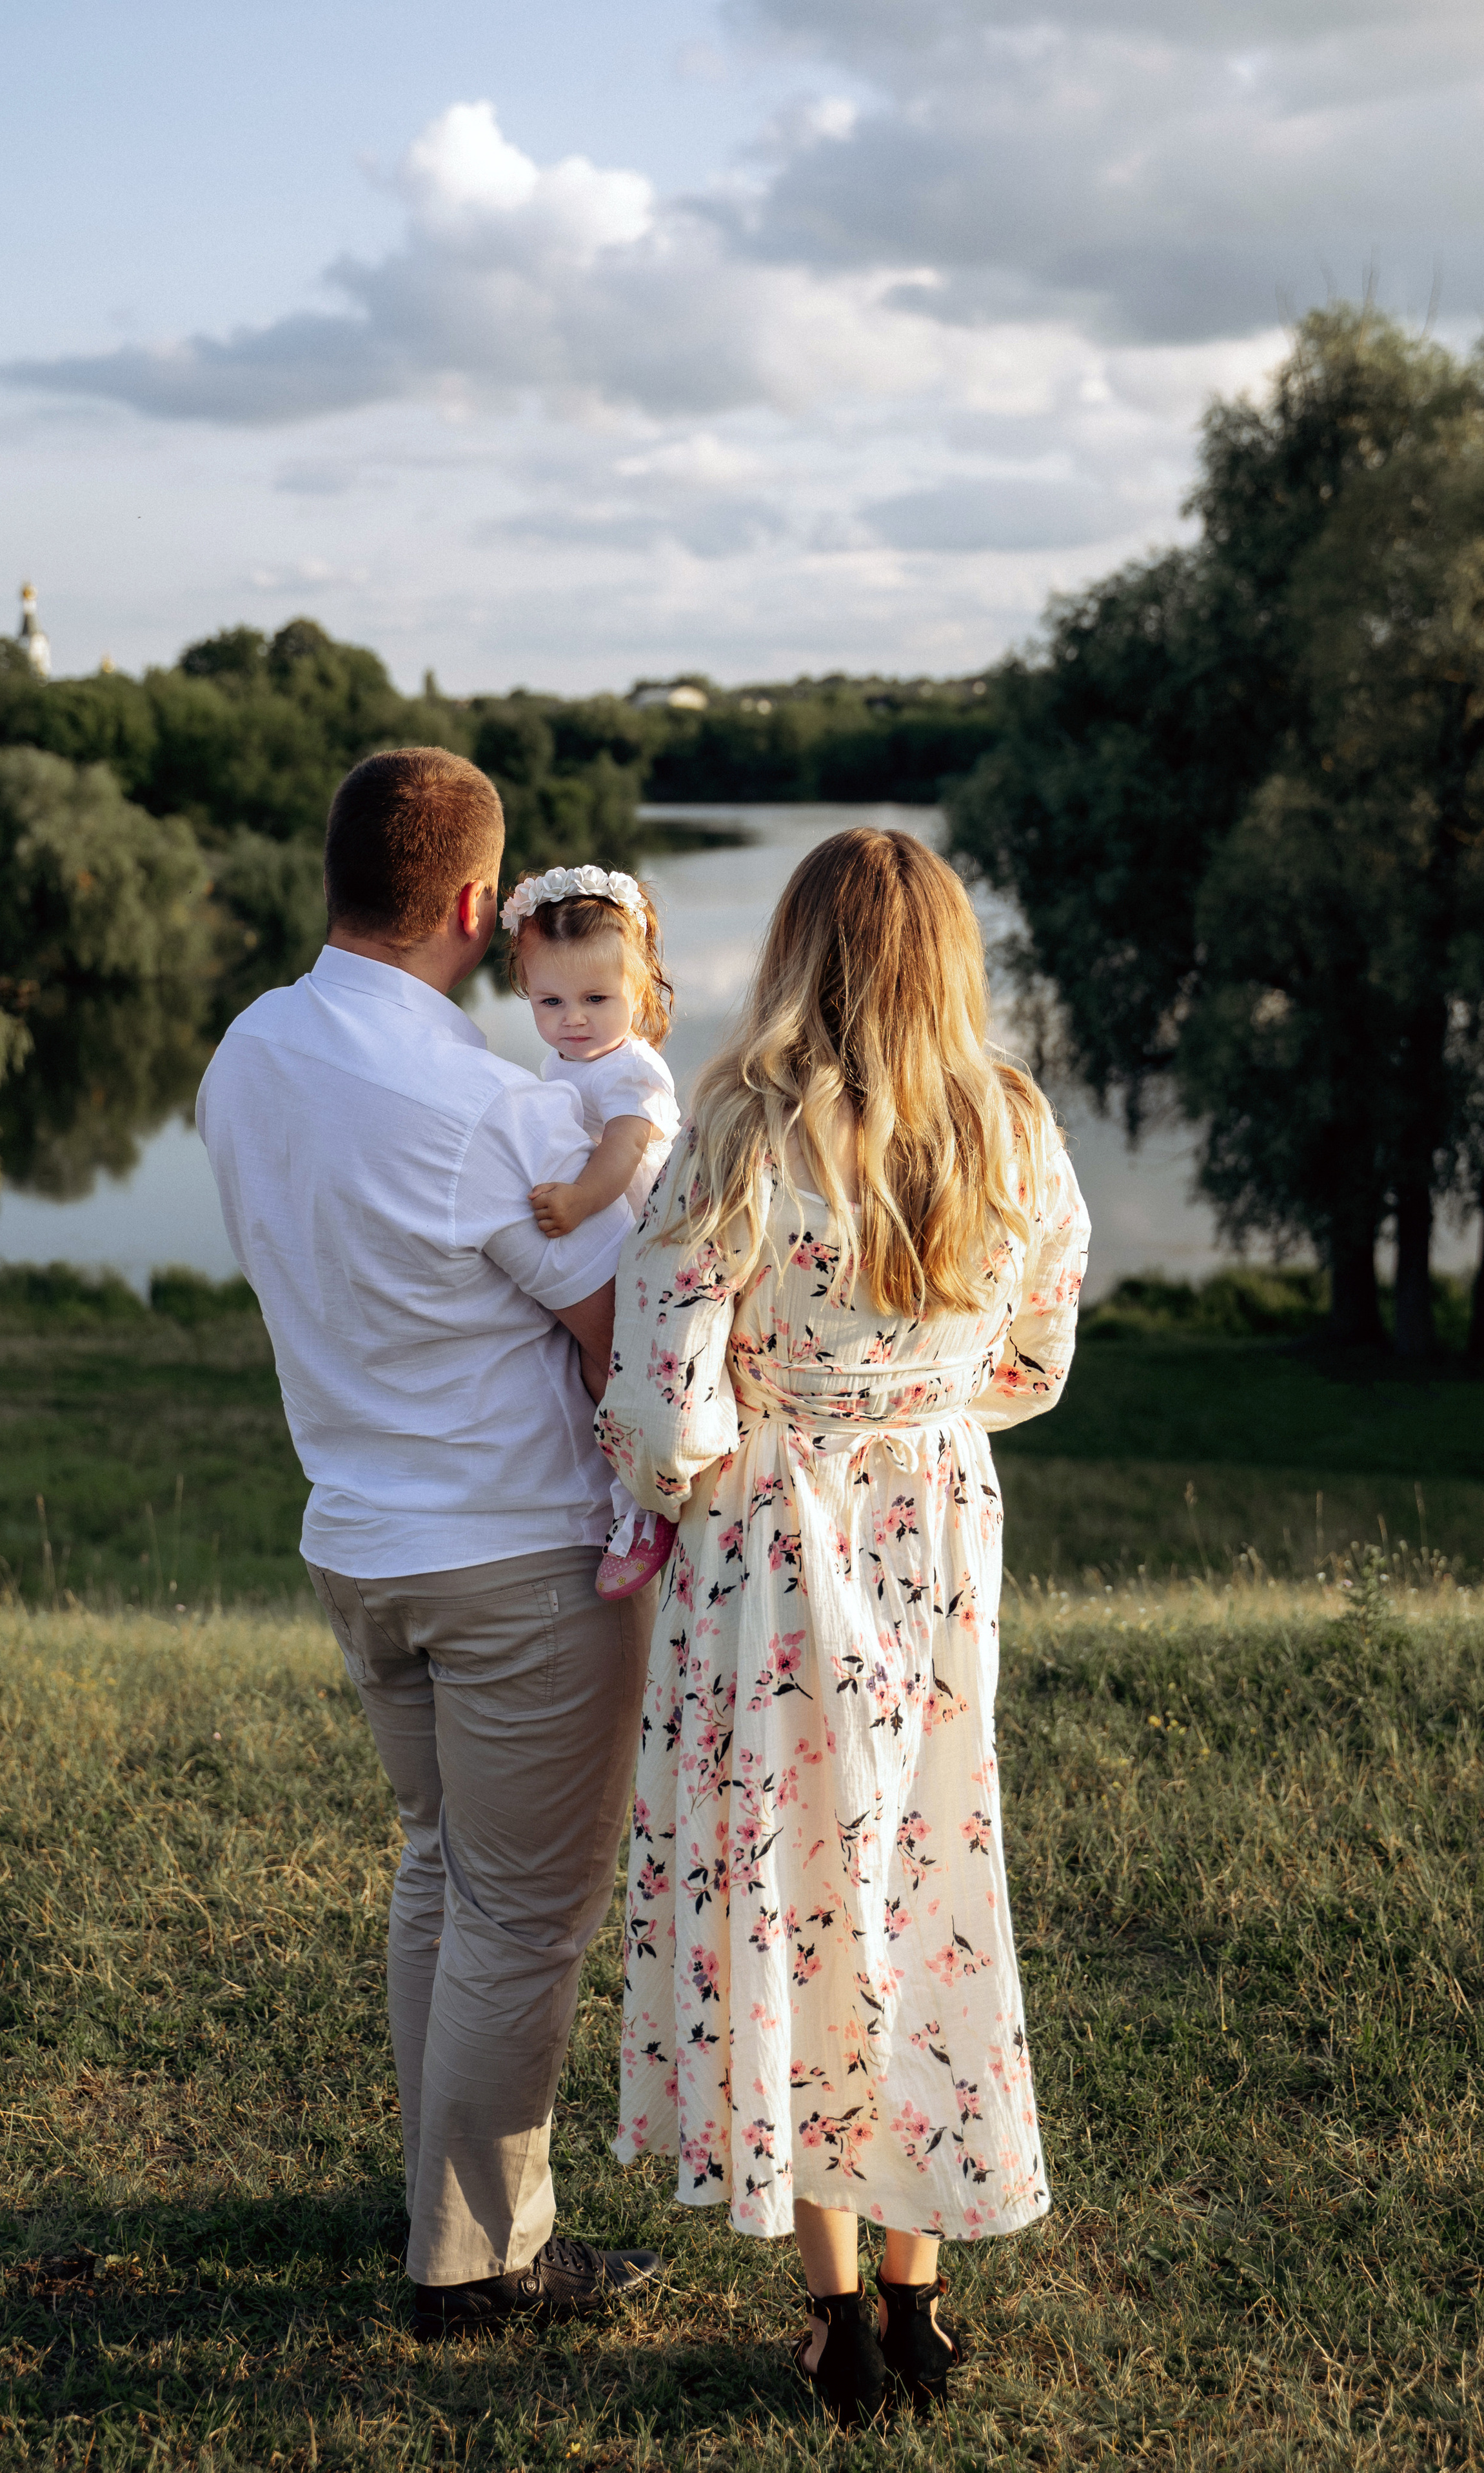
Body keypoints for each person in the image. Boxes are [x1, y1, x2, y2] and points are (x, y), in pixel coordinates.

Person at [595, 828, 1091, 2427]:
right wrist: (917, 1415)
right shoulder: (1011, 1125)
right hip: (934, 1537)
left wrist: (723, 1442)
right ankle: (915, 2293)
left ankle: (831, 2315)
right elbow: (1035, 1361)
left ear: (796, 950)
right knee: (928, 1871)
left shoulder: (735, 1125)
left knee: (789, 1883)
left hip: (770, 1550)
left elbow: (662, 1400)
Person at [195, 746, 661, 2337]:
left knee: (443, 1870)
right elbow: (614, 1332)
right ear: (475, 903)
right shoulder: (483, 1104)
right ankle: (475, 2265)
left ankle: (439, 2191)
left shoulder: (245, 1051)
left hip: (357, 1540)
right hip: (515, 1556)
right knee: (522, 1913)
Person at [506, 863, 682, 1601]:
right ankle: (621, 1497)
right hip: (616, 1241)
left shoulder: (631, 1069)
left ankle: (647, 1507)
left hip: (653, 1237)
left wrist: (578, 1202)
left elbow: (622, 1150)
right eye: (550, 1001)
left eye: (595, 999)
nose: (572, 1017)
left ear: (637, 994)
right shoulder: (559, 1059)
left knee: (616, 1370)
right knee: (594, 1371)